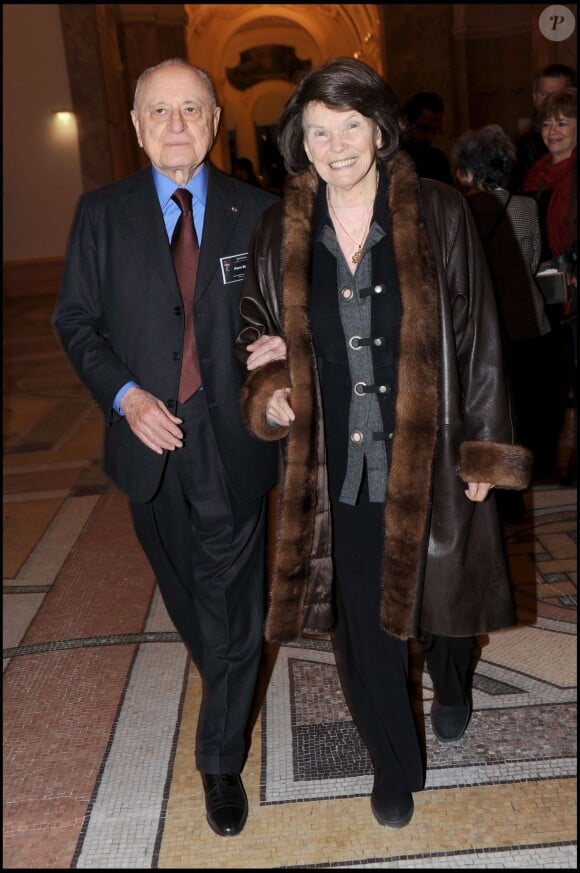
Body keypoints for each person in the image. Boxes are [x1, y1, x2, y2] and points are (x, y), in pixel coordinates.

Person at [234, 58, 532, 829]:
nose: (336, 146)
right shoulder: (279, 229)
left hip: (431, 446)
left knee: (440, 601)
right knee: (362, 620)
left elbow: (479, 334)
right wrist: (273, 390)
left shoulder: (437, 211)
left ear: (380, 128)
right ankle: (391, 762)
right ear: (299, 141)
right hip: (339, 461)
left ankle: (453, 672)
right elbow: (256, 335)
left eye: (351, 126)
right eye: (318, 131)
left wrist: (485, 451)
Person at [53, 58, 279, 838]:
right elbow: (75, 322)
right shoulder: (100, 213)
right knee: (193, 597)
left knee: (235, 603)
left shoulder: (261, 211)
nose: (176, 124)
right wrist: (126, 394)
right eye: (160, 111)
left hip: (234, 439)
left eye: (191, 109)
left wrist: (284, 347)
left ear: (216, 121)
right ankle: (224, 668)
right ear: (137, 125)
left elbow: (293, 313)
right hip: (147, 443)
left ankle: (219, 758)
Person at [452, 123, 555, 503]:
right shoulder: (526, 206)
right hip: (530, 318)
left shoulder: (460, 210)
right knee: (532, 402)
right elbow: (531, 261)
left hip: (488, 325)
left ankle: (500, 480)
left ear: (465, 171)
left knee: (499, 405)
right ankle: (534, 469)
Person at [524, 87, 577, 486]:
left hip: (575, 289)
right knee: (555, 379)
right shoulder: (536, 171)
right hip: (545, 291)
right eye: (546, 122)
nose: (552, 130)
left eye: (562, 122)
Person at [510, 63, 576, 193]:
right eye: (544, 94)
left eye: (557, 94)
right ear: (534, 97)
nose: (550, 100)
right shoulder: (523, 148)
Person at [400, 91, 453, 185]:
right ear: (406, 123)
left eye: (435, 131)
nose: (430, 137)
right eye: (424, 128)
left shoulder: (438, 160)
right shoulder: (390, 157)